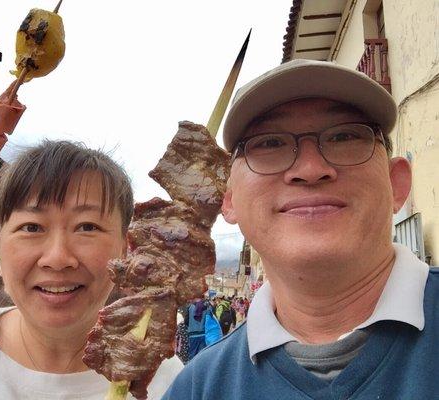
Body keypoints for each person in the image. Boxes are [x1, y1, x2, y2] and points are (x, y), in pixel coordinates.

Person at [163, 59, 438, 399]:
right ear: (228, 199)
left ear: (396, 183)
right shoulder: (196, 389)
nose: (310, 168)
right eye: (269, 143)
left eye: (344, 135)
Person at [0, 141, 182, 399]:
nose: (58, 258)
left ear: (125, 249)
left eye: (87, 227)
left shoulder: (163, 379)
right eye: (32, 227)